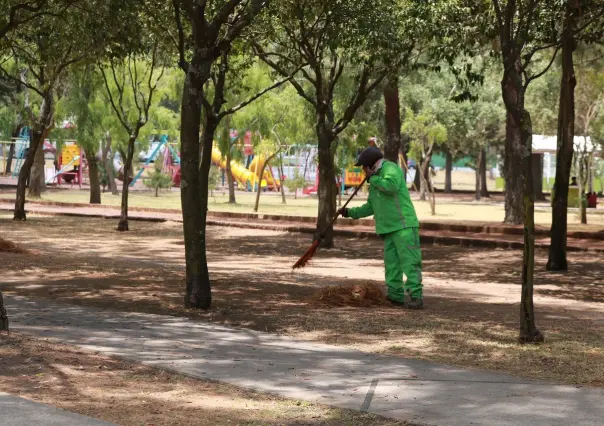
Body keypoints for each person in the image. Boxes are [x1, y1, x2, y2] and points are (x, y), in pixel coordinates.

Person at [339, 146, 423, 309]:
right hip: (388, 229)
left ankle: (416, 296)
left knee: (410, 263)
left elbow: (391, 186)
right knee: (392, 266)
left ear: (372, 165)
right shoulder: (375, 181)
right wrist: (349, 212)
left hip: (404, 226)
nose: (363, 170)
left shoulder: (390, 169)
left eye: (364, 166)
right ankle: (395, 296)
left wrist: (373, 179)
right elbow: (370, 206)